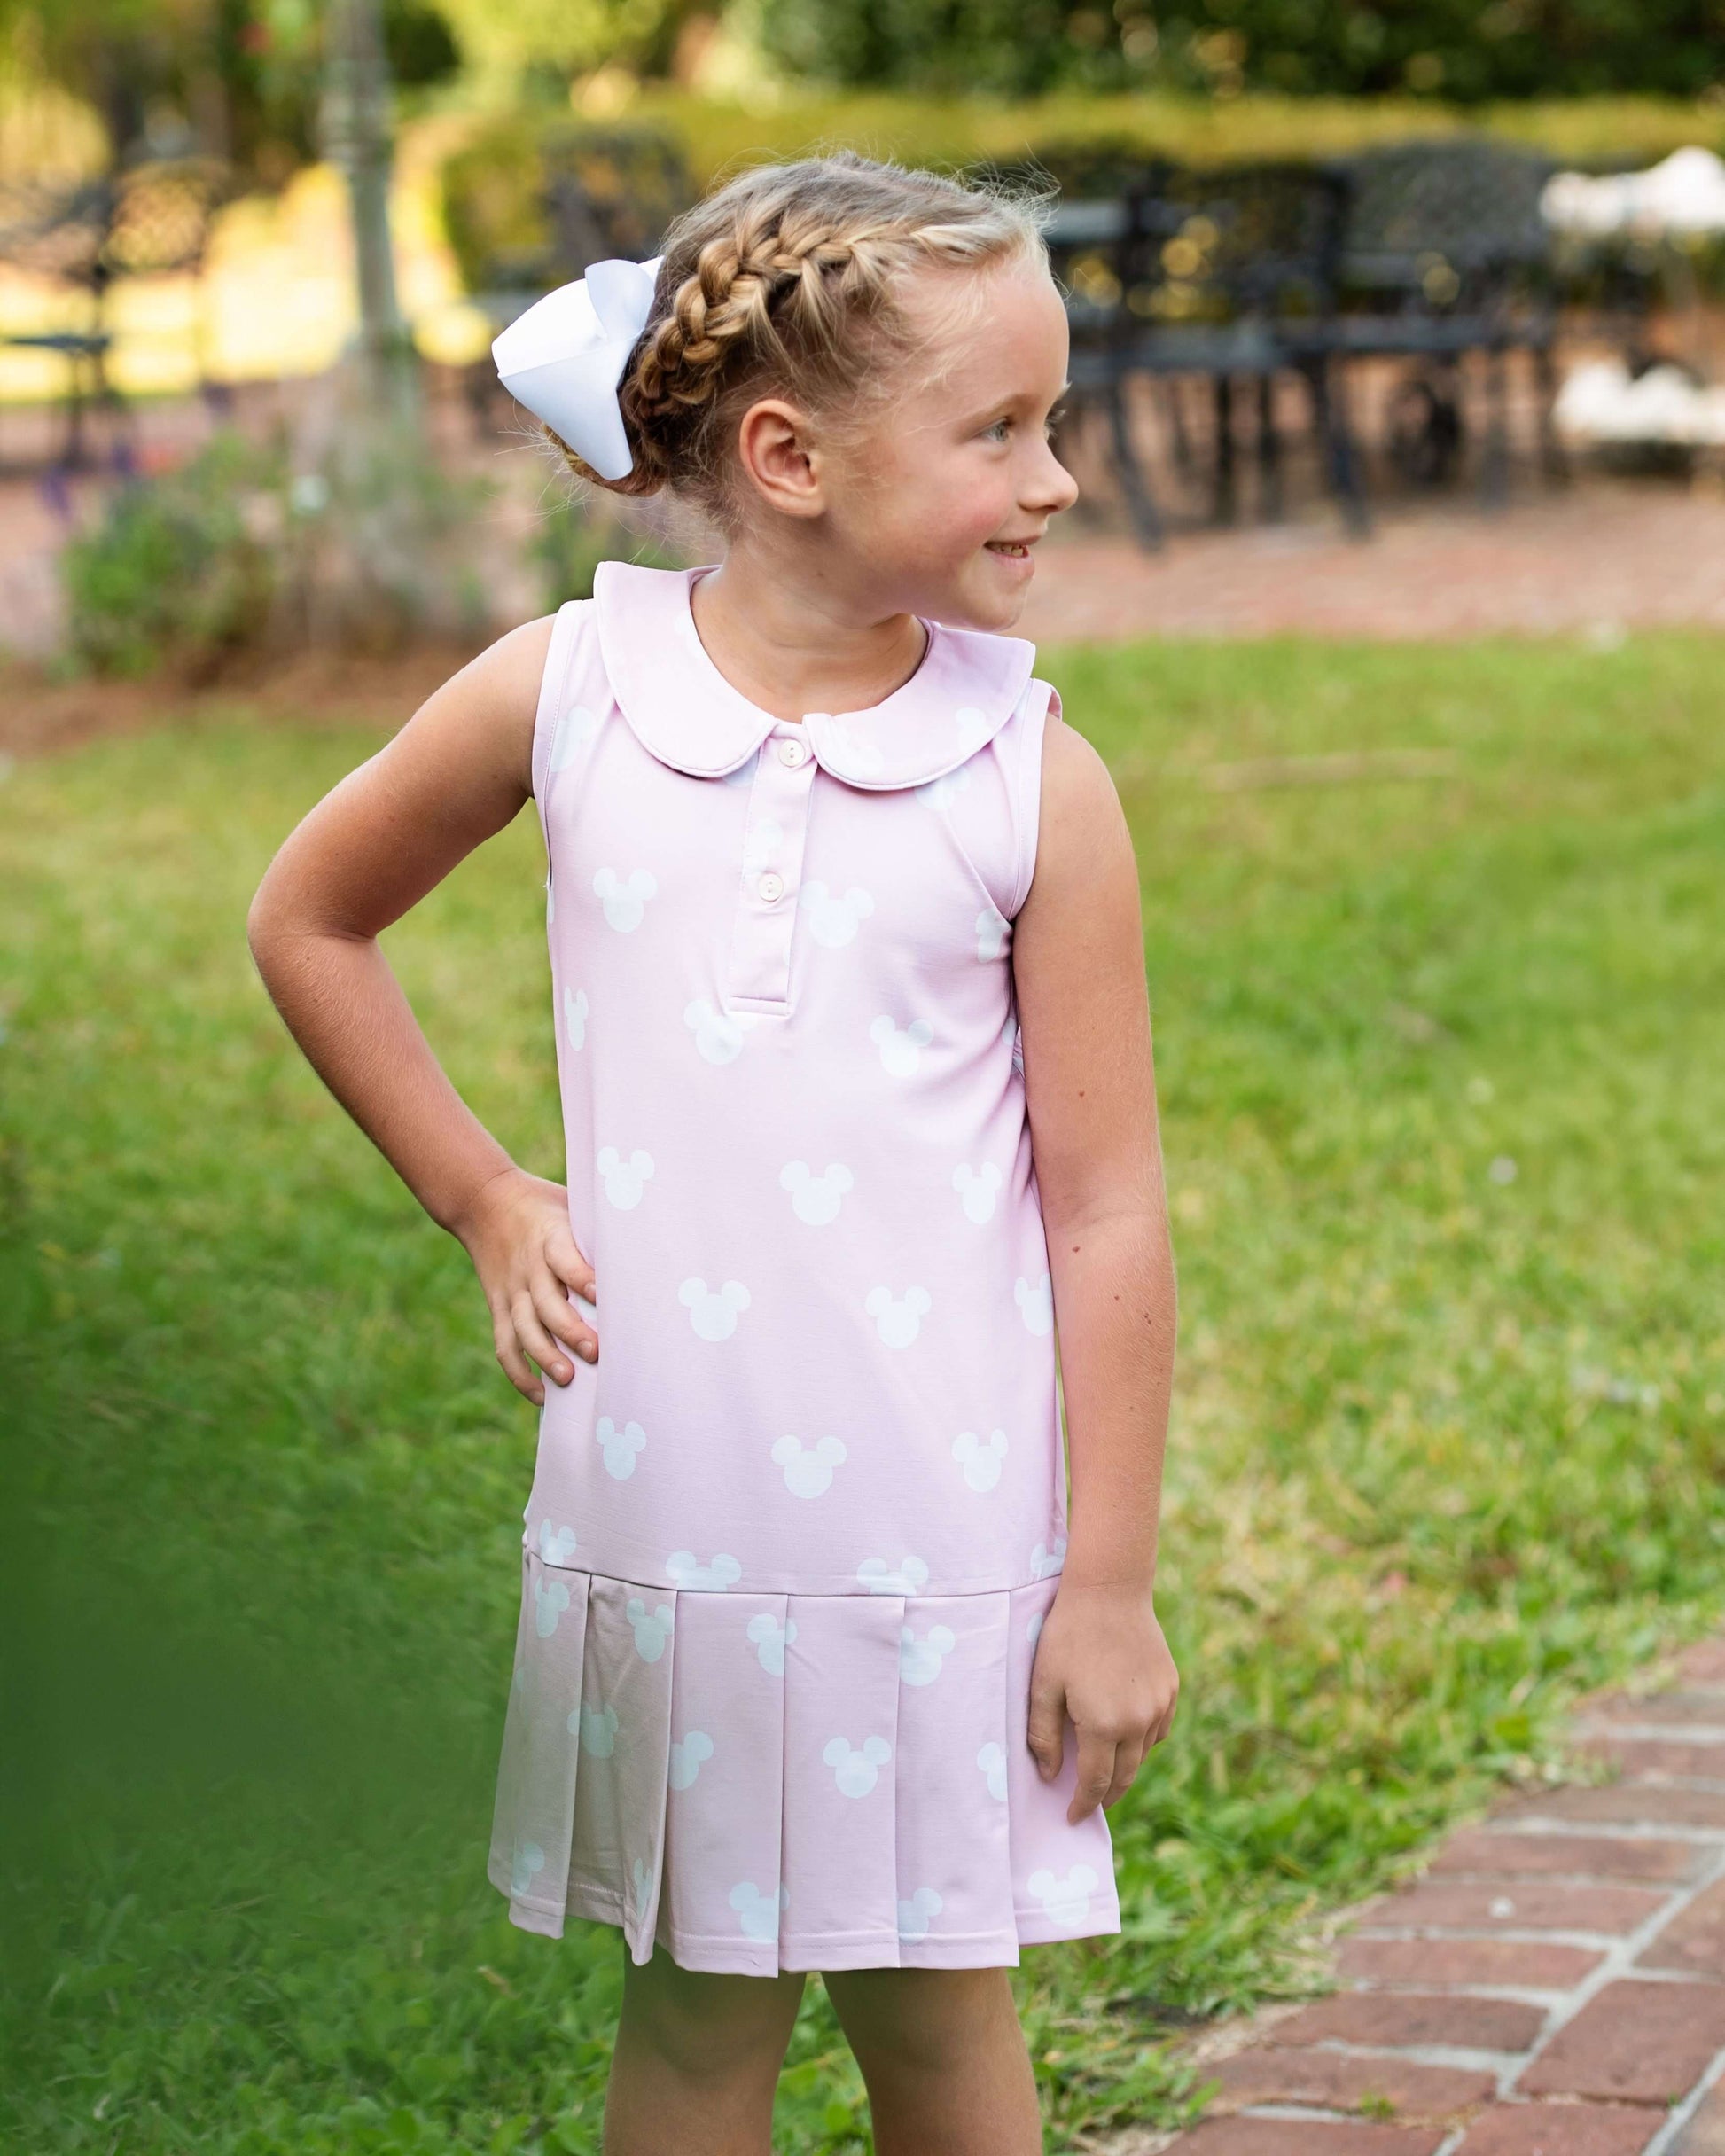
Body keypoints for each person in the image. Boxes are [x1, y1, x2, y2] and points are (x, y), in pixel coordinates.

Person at [247, 149, 1179, 2156]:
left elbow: (1106, 1210)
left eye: (1054, 423)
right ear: (788, 456)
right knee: (689, 2024)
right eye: (1001, 430)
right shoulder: (567, 692)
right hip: (677, 1525)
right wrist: (484, 1196)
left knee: (941, 2024)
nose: (1054, 479)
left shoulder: (1032, 779)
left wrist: (1106, 1584)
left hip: (941, 1546)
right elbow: (309, 916)